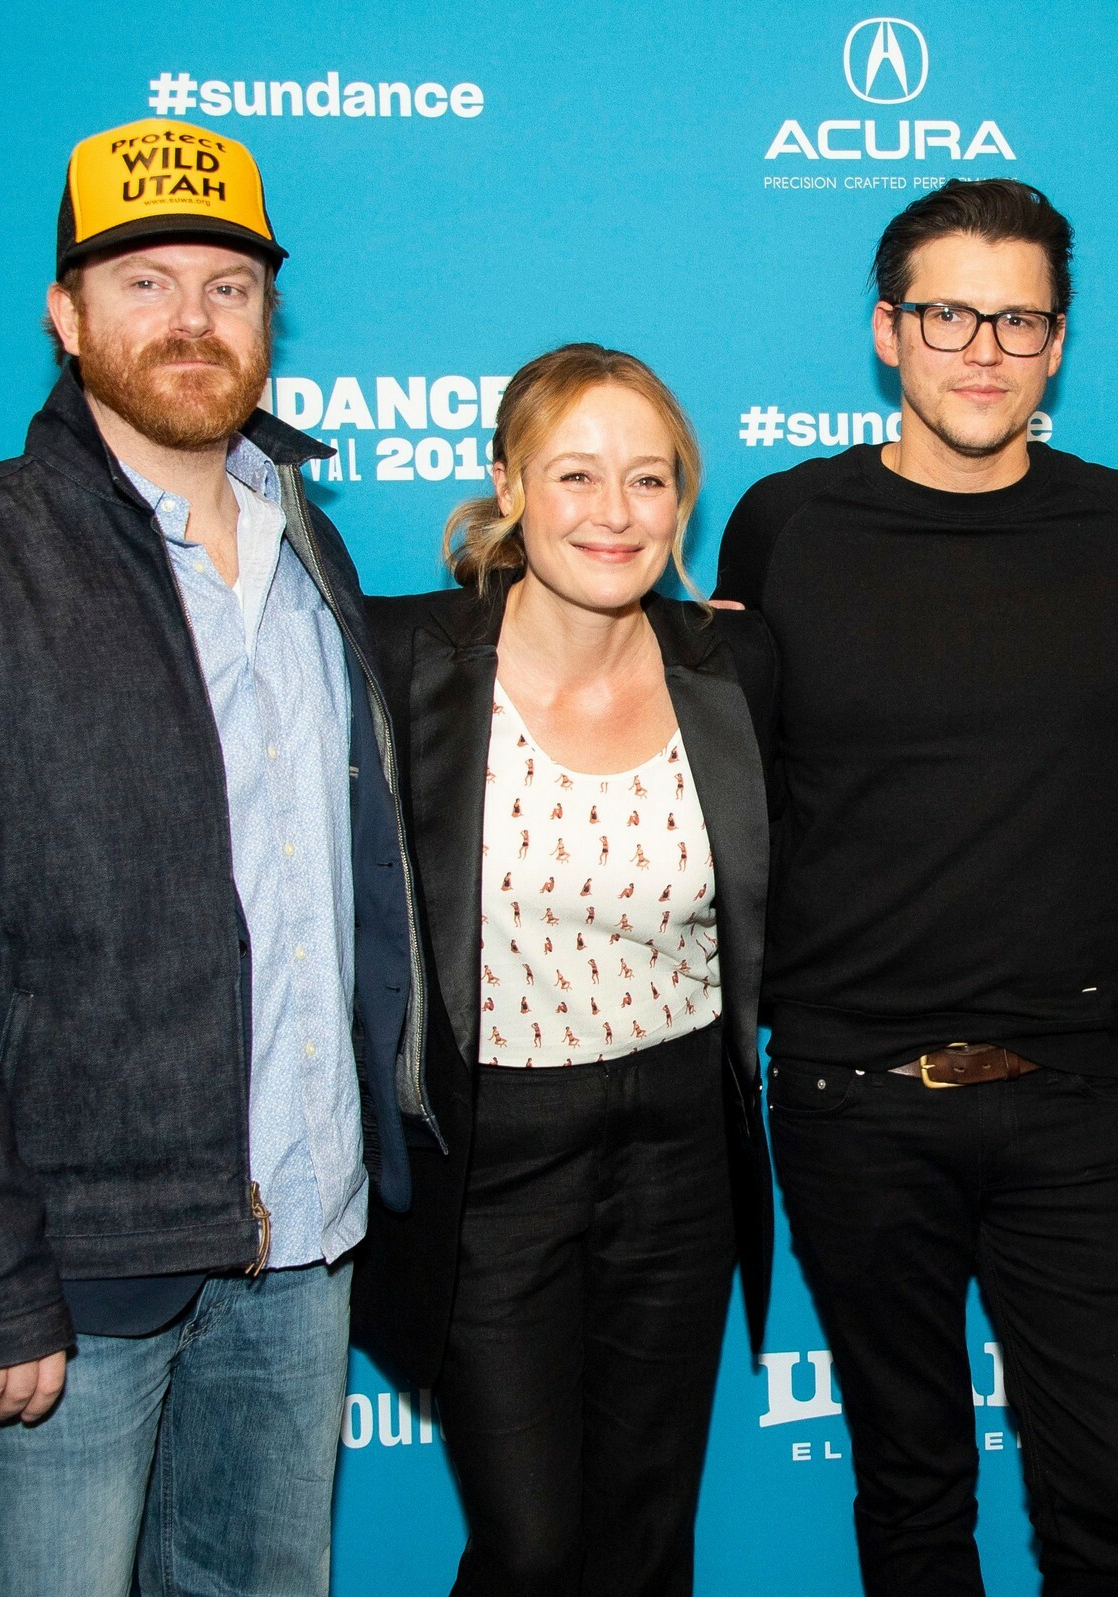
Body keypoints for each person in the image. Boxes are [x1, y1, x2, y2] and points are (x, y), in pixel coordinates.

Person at [0, 118, 422, 1596]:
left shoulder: (309, 549)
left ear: (269, 314)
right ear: (66, 314)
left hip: (303, 1248)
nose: (192, 320)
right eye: (144, 283)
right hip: (67, 1272)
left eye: (229, 285)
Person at [713, 178, 1118, 1596]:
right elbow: (744, 787)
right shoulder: (785, 523)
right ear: (888, 330)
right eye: (949, 315)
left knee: (1111, 1501)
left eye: (1020, 319)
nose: (984, 349)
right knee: (913, 1495)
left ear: (1058, 341)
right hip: (851, 1094)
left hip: (1072, 1087)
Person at [348, 344, 775, 1597]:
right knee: (531, 1547)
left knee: (645, 1535)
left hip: (681, 1145)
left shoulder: (733, 664)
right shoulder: (400, 656)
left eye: (649, 478)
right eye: (576, 474)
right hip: (492, 1153)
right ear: (509, 485)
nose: (616, 511)